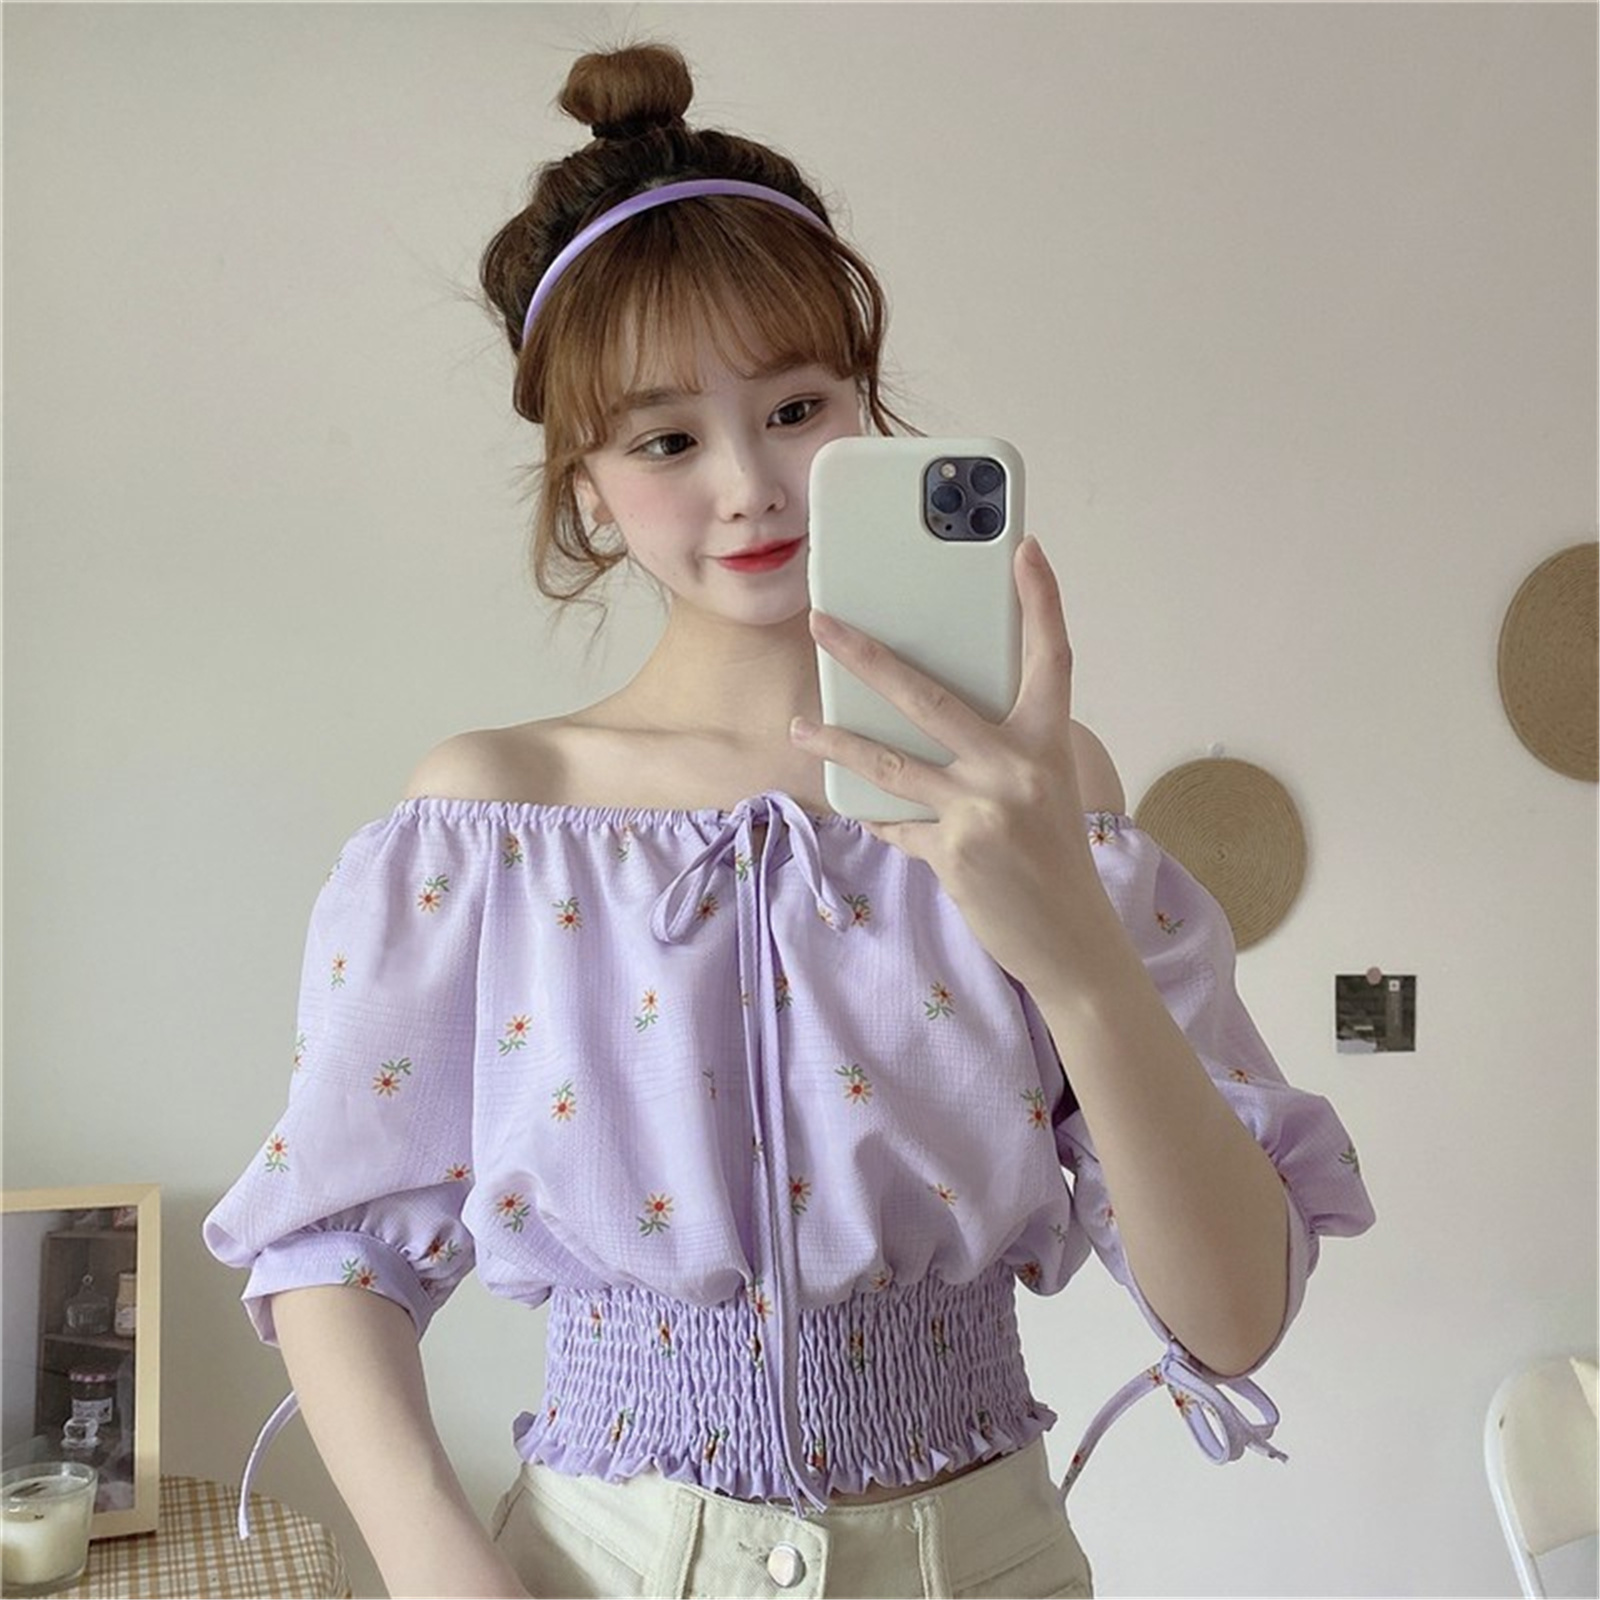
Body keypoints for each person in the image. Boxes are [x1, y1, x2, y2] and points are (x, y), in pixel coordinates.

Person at [204, 41, 1375, 1600]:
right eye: (666, 440)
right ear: (585, 486)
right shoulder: (492, 824)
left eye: (797, 406)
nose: (752, 484)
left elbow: (1233, 1322)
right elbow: (334, 1246)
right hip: (598, 1564)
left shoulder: (1042, 796)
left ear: (868, 411)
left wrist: (1080, 960)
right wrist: (440, 1573)